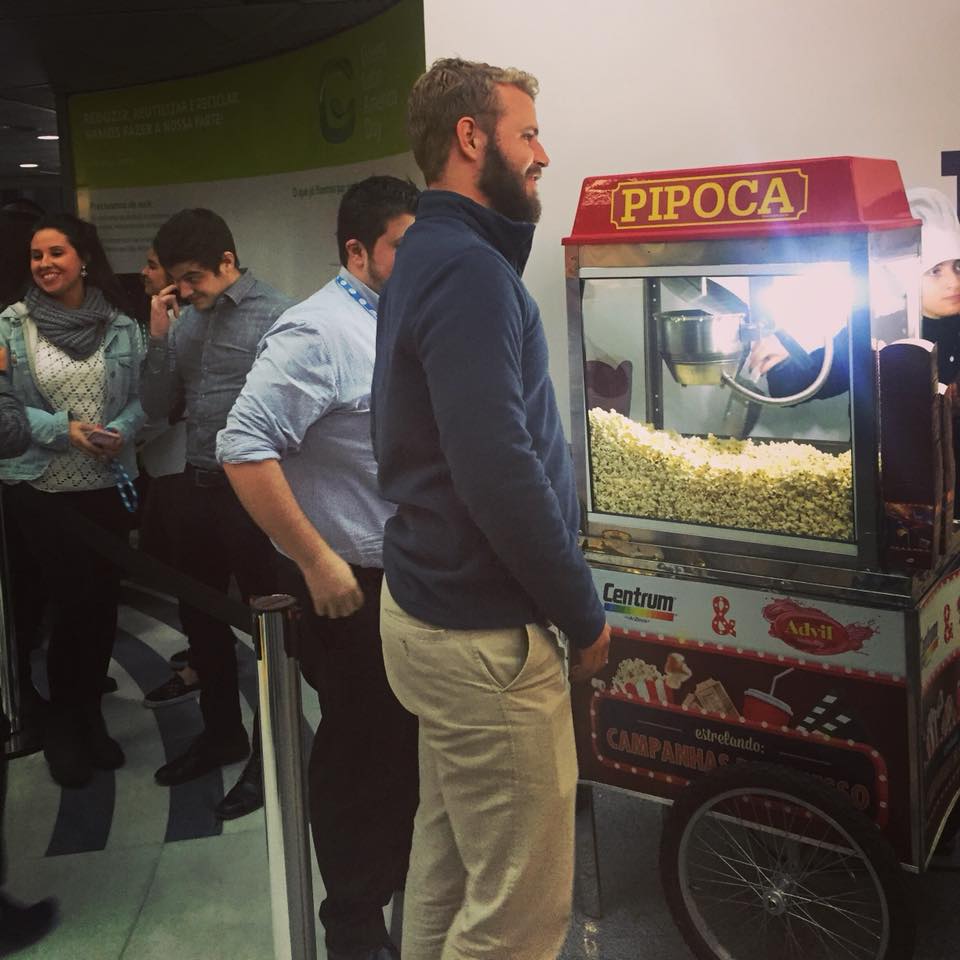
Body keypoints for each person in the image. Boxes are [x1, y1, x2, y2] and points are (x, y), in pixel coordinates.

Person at [371, 58, 610, 960]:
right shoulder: (468, 268)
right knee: (517, 913)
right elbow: (496, 468)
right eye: (528, 133)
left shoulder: (430, 253)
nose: (543, 153)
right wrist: (582, 612)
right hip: (483, 640)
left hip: (434, 614)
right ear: (471, 138)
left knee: (452, 866)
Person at [218, 175, 420, 960]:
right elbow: (242, 447)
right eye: (405, 245)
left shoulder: (399, 319)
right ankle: (353, 924)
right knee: (359, 753)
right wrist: (315, 560)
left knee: (399, 746)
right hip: (350, 587)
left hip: (412, 578)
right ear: (357, 251)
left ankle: (398, 890)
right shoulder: (318, 331)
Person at [140, 209, 293, 790]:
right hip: (196, 484)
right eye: (176, 279)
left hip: (255, 493)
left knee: (267, 629)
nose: (183, 290)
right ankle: (222, 731)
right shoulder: (184, 322)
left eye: (192, 277)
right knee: (199, 617)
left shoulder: (278, 316)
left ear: (228, 262)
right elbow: (158, 405)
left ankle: (271, 754)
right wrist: (159, 337)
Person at [0, 213, 145, 788]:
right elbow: (5, 407)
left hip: (107, 485)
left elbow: (143, 399)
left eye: (56, 253)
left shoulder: (122, 325)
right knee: (66, 606)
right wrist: (66, 431)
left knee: (101, 606)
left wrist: (121, 430)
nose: (45, 264)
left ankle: (89, 716)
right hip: (41, 488)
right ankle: (64, 725)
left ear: (84, 258)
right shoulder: (11, 325)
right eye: (37, 256)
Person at [753, 187, 960, 403]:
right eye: (935, 271)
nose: (954, 283)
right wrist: (788, 353)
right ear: (905, 273)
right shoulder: (875, 331)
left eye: (958, 267)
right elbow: (795, 385)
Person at [135, 246, 195, 704]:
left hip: (183, 467)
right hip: (165, 465)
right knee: (181, 571)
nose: (144, 273)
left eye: (153, 265)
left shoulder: (183, 327)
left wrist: (126, 434)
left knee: (194, 576)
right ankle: (202, 649)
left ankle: (200, 666)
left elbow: (166, 404)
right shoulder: (163, 322)